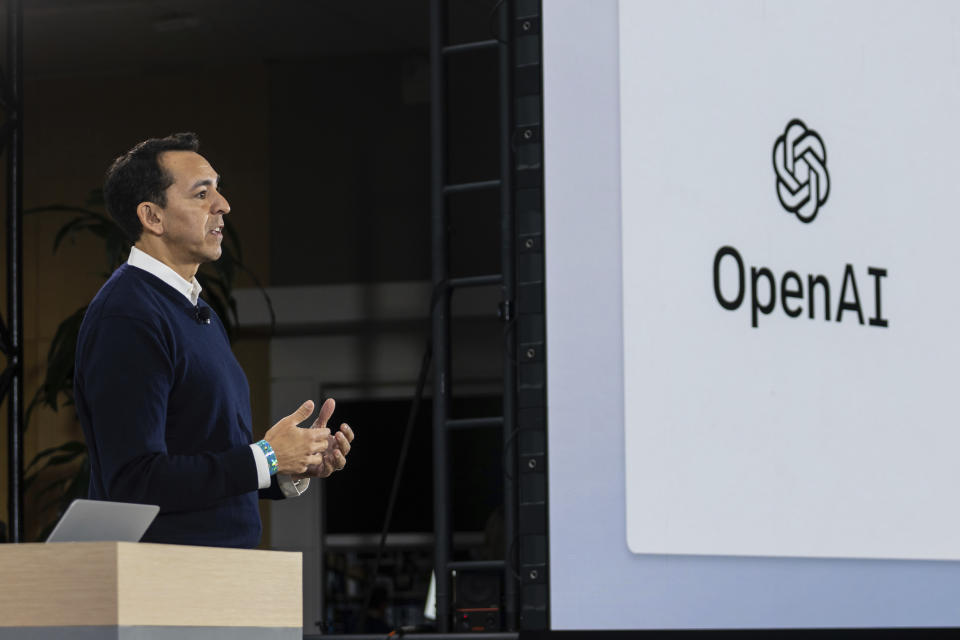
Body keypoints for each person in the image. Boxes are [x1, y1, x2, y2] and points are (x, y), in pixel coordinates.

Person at [74, 132, 354, 547]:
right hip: (164, 586)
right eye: (202, 194)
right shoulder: (127, 316)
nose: (223, 205)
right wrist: (267, 455)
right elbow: (134, 481)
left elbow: (205, 463)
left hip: (218, 581)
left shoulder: (196, 311)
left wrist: (287, 467)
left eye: (218, 191)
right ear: (153, 217)